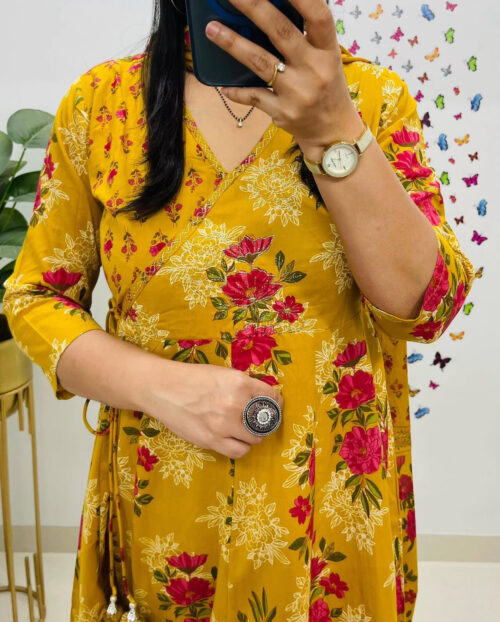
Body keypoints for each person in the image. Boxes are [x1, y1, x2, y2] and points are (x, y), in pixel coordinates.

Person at [3, 0, 476, 620]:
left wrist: (335, 129)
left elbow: (427, 306)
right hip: (170, 504)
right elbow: (35, 298)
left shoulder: (372, 99)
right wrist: (162, 386)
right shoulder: (102, 105)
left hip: (332, 507)